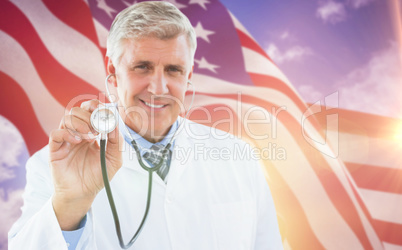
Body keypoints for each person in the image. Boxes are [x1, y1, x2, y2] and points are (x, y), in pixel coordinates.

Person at [8, 1, 283, 249]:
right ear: (113, 72)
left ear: (189, 75)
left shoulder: (240, 158)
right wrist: (69, 204)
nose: (158, 87)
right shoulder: (53, 166)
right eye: (142, 67)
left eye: (173, 70)